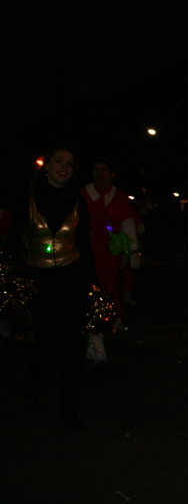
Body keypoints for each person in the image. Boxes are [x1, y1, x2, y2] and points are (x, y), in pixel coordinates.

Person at [9, 148, 96, 428]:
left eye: (70, 163)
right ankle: (31, 384)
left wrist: (94, 286)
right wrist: (12, 278)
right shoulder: (28, 197)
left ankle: (69, 412)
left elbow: (84, 244)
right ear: (46, 166)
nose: (64, 166)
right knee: (47, 345)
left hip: (73, 279)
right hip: (39, 279)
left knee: (74, 346)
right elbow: (12, 241)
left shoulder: (78, 200)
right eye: (59, 161)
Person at [81, 157, 140, 363]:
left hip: (111, 254)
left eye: (104, 170)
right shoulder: (83, 193)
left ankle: (101, 337)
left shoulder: (120, 196)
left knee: (107, 292)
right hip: (87, 252)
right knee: (90, 295)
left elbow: (128, 224)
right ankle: (96, 345)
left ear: (112, 174)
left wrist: (133, 251)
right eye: (96, 169)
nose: (100, 173)